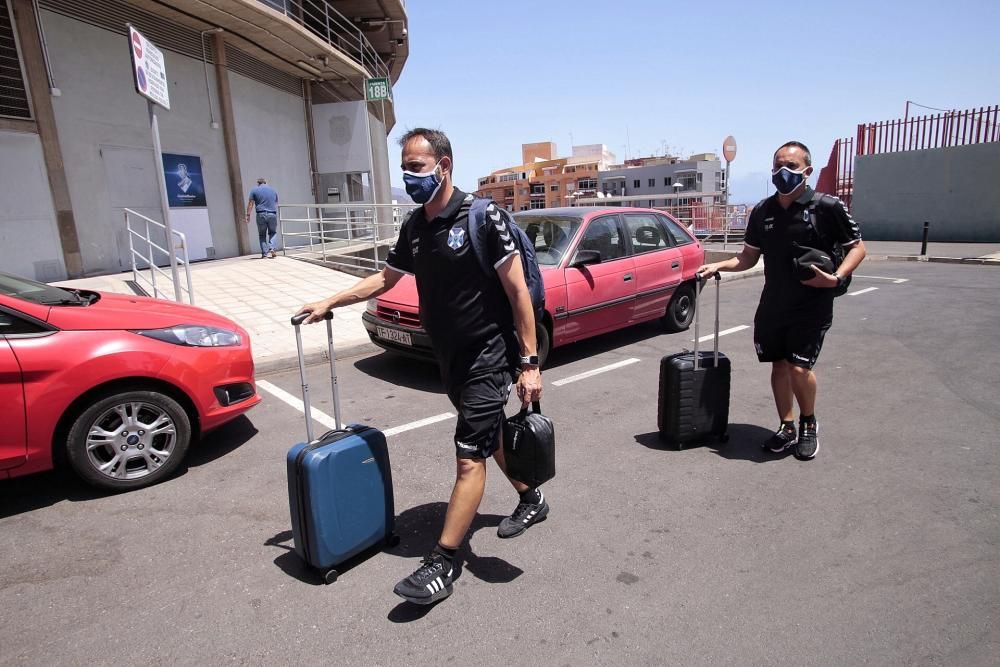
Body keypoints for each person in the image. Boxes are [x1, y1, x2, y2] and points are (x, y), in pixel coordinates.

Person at [297, 128, 546, 605]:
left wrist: (529, 363)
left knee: (469, 455)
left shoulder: (482, 216)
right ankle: (532, 496)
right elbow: (385, 279)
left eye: (416, 167)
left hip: (487, 356)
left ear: (444, 165)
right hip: (448, 359)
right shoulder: (415, 226)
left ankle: (444, 561)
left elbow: (518, 294)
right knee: (491, 437)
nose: (409, 177)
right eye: (405, 168)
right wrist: (332, 299)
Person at [698, 140, 866, 460]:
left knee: (799, 368)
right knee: (778, 365)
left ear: (807, 170)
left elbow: (858, 247)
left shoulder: (827, 207)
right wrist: (718, 265)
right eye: (777, 166)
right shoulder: (763, 211)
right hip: (774, 302)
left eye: (790, 166)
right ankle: (786, 426)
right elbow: (748, 257)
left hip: (812, 302)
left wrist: (836, 278)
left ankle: (808, 423)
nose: (782, 172)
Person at [246, 178, 279, 259]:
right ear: (266, 182)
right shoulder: (273, 190)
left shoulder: (254, 190)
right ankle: (272, 248)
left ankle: (264, 254)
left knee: (262, 234)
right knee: (273, 232)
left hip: (261, 214)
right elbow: (276, 202)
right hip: (272, 214)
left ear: (258, 183)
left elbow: (251, 204)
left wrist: (248, 215)